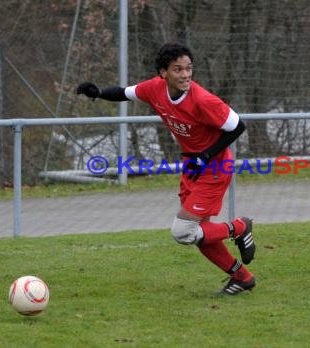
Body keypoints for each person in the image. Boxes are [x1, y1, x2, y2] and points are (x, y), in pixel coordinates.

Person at [76, 42, 256, 295]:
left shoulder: (203, 100)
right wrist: (98, 93)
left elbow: (238, 127)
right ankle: (242, 277)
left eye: (188, 68)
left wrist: (205, 156)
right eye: (178, 69)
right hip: (192, 166)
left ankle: (240, 227)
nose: (185, 75)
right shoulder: (154, 89)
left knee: (184, 231)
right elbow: (124, 93)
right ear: (163, 73)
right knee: (200, 234)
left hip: (214, 167)